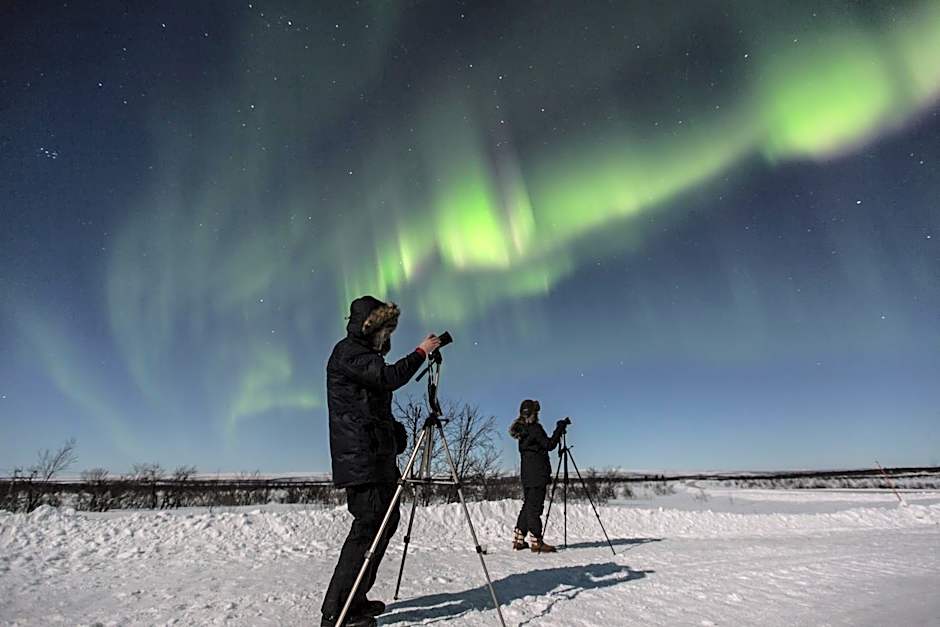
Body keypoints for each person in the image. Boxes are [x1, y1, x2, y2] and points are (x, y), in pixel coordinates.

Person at [320, 296, 441, 627]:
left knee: (383, 525)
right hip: (362, 460)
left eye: (391, 332)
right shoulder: (349, 352)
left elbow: (370, 407)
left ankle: (356, 599)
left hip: (376, 457)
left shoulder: (365, 357)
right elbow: (388, 379)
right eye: (385, 330)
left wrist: (394, 434)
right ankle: (338, 612)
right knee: (367, 528)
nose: (387, 338)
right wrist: (421, 352)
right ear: (369, 325)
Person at [508, 399, 568, 553]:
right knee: (535, 508)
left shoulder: (522, 431)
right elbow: (549, 445)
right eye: (536, 412)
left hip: (527, 475)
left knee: (528, 506)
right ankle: (536, 541)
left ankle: (519, 538)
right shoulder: (534, 429)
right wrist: (559, 428)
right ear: (533, 413)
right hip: (537, 475)